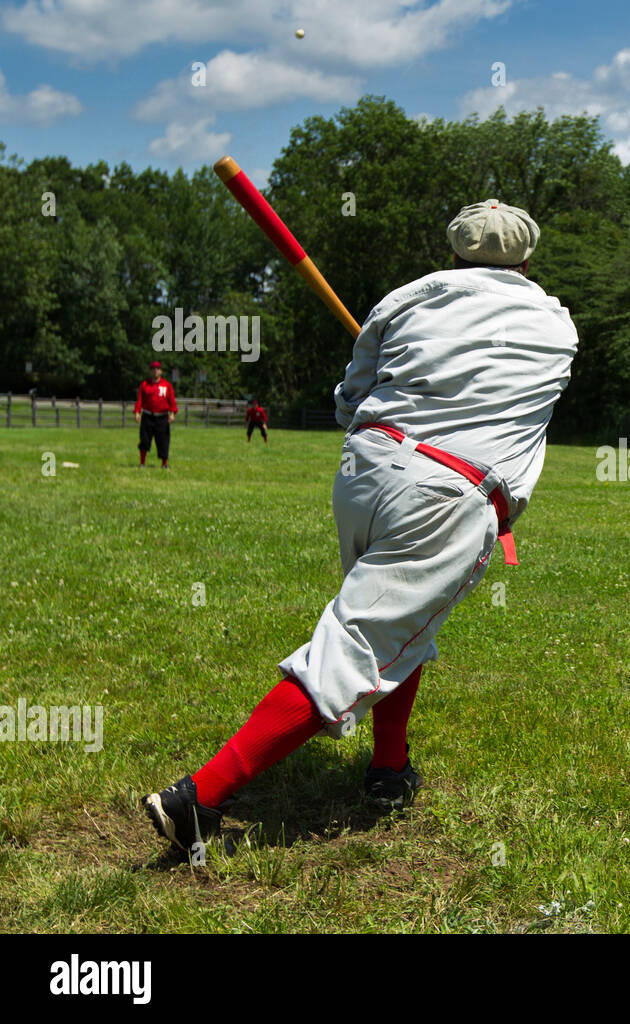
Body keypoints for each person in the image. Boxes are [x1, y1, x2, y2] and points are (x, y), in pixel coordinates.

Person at [144, 199, 579, 859]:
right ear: (526, 260)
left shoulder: (404, 300)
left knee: (404, 626)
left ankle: (388, 768)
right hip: (450, 492)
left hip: (368, 469)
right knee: (356, 646)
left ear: (454, 253)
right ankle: (198, 798)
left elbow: (352, 397)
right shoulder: (558, 327)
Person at [134, 361, 177, 469]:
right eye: (153, 369)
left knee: (163, 441)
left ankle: (164, 464)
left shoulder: (166, 385)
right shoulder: (145, 385)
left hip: (162, 417)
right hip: (148, 416)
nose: (155, 371)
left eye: (157, 369)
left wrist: (172, 414)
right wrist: (137, 412)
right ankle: (142, 463)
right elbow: (140, 400)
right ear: (150, 371)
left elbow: (171, 401)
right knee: (144, 439)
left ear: (161, 371)